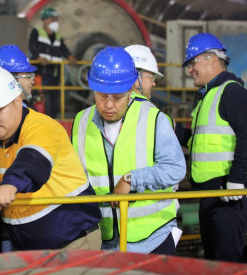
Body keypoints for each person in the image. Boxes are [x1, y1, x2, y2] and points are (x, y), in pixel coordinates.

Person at [0, 64, 102, 251]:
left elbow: (33, 159)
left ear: (18, 101)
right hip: (30, 251)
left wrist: (10, 184)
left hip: (74, 243)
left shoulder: (42, 127)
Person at [71, 46, 185, 254]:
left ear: (131, 88)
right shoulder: (81, 121)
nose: (108, 105)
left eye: (117, 98)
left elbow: (175, 168)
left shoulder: (153, 118)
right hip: (103, 238)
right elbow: (75, 176)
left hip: (152, 237)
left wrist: (132, 179)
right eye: (102, 96)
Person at [182, 33, 247, 262]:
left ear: (212, 60)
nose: (190, 69)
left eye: (193, 62)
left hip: (228, 199)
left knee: (226, 263)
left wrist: (237, 180)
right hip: (211, 197)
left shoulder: (231, 92)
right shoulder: (209, 96)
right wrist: (167, 127)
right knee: (214, 262)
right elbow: (199, 140)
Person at [28, 7, 76, 118]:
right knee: (44, 99)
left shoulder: (58, 36)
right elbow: (32, 46)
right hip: (41, 72)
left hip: (54, 73)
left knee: (54, 100)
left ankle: (53, 121)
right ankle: (44, 122)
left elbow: (63, 48)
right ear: (45, 20)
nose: (55, 22)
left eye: (56, 19)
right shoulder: (37, 32)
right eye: (52, 19)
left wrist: (70, 57)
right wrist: (38, 57)